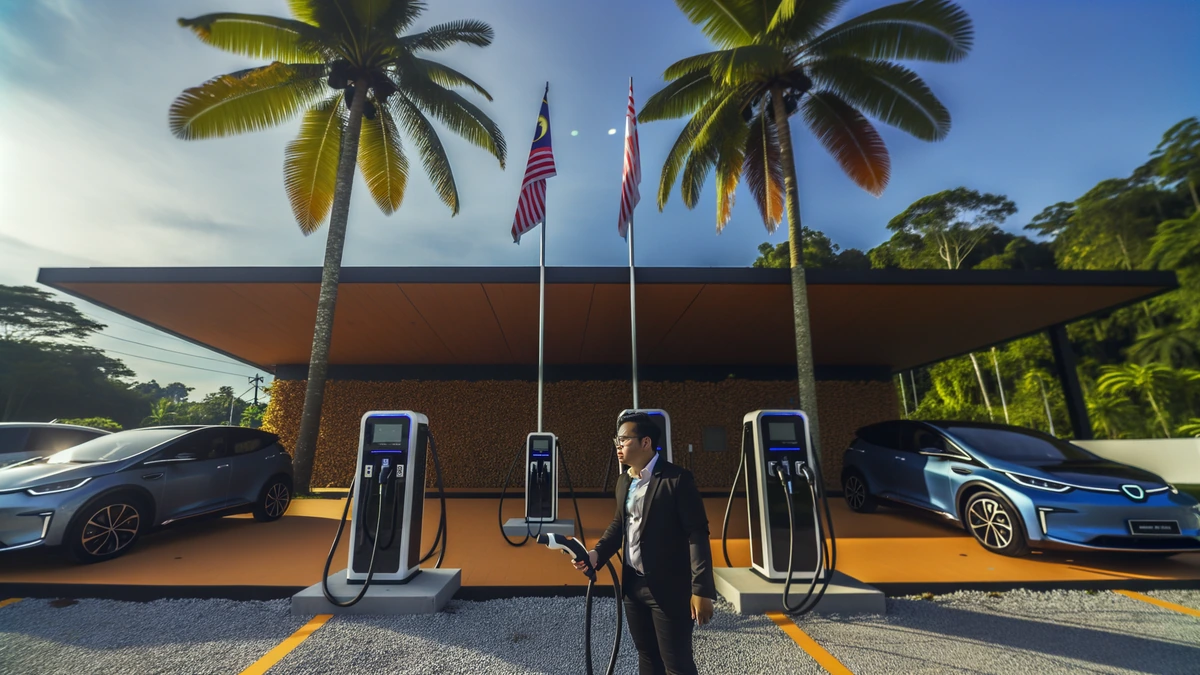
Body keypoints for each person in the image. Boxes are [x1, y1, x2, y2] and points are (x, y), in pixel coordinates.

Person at [573, 412, 715, 675]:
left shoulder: (677, 480)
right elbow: (620, 526)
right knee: (647, 657)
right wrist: (596, 555)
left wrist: (702, 589)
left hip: (669, 589)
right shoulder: (624, 480)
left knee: (677, 664)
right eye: (617, 440)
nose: (618, 446)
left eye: (624, 440)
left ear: (645, 442)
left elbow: (697, 534)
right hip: (633, 587)